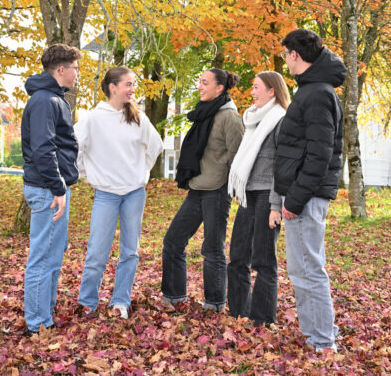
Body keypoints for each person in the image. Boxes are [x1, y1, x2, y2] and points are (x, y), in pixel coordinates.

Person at [275, 29, 345, 352]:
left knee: (307, 269)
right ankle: (318, 333)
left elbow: (320, 155)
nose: (284, 60)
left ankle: (322, 341)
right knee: (303, 267)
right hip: (305, 194)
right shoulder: (314, 89)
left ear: (295, 55)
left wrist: (295, 198)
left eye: (285, 54)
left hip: (306, 197)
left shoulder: (316, 93)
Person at [75, 67, 163, 319]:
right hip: (106, 194)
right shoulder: (93, 118)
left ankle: (121, 301)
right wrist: (87, 172)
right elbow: (75, 147)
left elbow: (154, 147)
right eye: (128, 84)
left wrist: (141, 172)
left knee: (130, 251)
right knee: (97, 251)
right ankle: (88, 303)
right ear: (112, 87)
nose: (132, 89)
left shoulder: (138, 118)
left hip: (134, 193)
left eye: (133, 84)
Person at [161, 68, 244, 311]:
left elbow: (238, 158)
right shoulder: (204, 114)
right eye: (199, 81)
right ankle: (174, 297)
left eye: (205, 82)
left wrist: (231, 188)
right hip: (198, 186)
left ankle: (214, 303)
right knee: (173, 241)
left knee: (212, 248)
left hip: (217, 189)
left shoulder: (229, 118)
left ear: (220, 88)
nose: (200, 86)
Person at [20, 43, 82, 335]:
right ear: (61, 69)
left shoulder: (53, 98)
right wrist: (58, 188)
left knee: (53, 256)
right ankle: (36, 324)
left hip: (55, 188)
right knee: (42, 258)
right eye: (75, 68)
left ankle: (45, 316)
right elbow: (43, 149)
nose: (77, 73)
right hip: (48, 189)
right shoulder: (45, 100)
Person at [226, 71, 290, 326]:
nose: (252, 92)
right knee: (238, 256)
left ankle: (263, 319)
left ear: (272, 91)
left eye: (256, 87)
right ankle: (239, 313)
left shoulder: (280, 120)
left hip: (267, 195)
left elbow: (281, 168)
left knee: (264, 260)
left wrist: (276, 205)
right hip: (248, 194)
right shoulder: (253, 120)